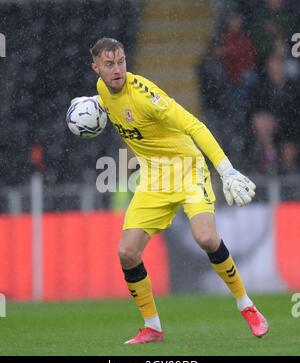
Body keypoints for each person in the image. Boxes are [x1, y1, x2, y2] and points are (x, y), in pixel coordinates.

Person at [89, 37, 268, 344]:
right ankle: (153, 327)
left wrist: (226, 170)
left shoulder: (146, 95)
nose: (117, 69)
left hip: (187, 169)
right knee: (127, 253)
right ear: (96, 68)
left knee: (206, 237)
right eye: (109, 64)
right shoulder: (102, 92)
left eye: (121, 62)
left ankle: (247, 305)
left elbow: (194, 126)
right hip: (154, 179)